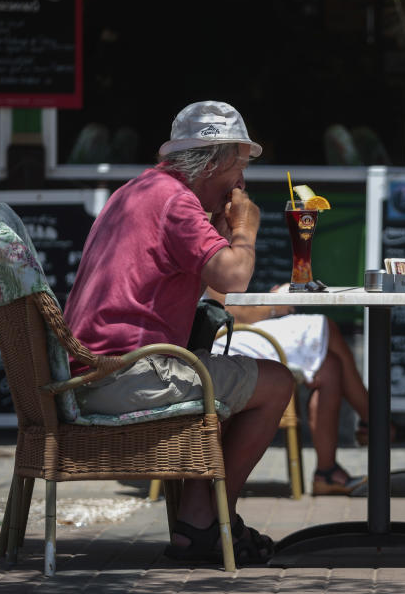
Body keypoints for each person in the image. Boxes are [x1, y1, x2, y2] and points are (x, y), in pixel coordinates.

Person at [63, 101, 296, 565]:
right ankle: (219, 522)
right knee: (276, 383)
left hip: (84, 373)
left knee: (226, 375)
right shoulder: (177, 202)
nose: (242, 184)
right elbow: (232, 277)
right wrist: (245, 230)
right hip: (122, 376)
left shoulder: (140, 189)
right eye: (239, 169)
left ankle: (197, 522)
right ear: (214, 163)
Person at [203, 285, 405, 495]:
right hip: (223, 340)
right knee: (323, 326)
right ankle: (376, 424)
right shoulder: (212, 253)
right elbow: (236, 312)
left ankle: (327, 472)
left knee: (329, 366)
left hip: (239, 333)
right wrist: (277, 302)